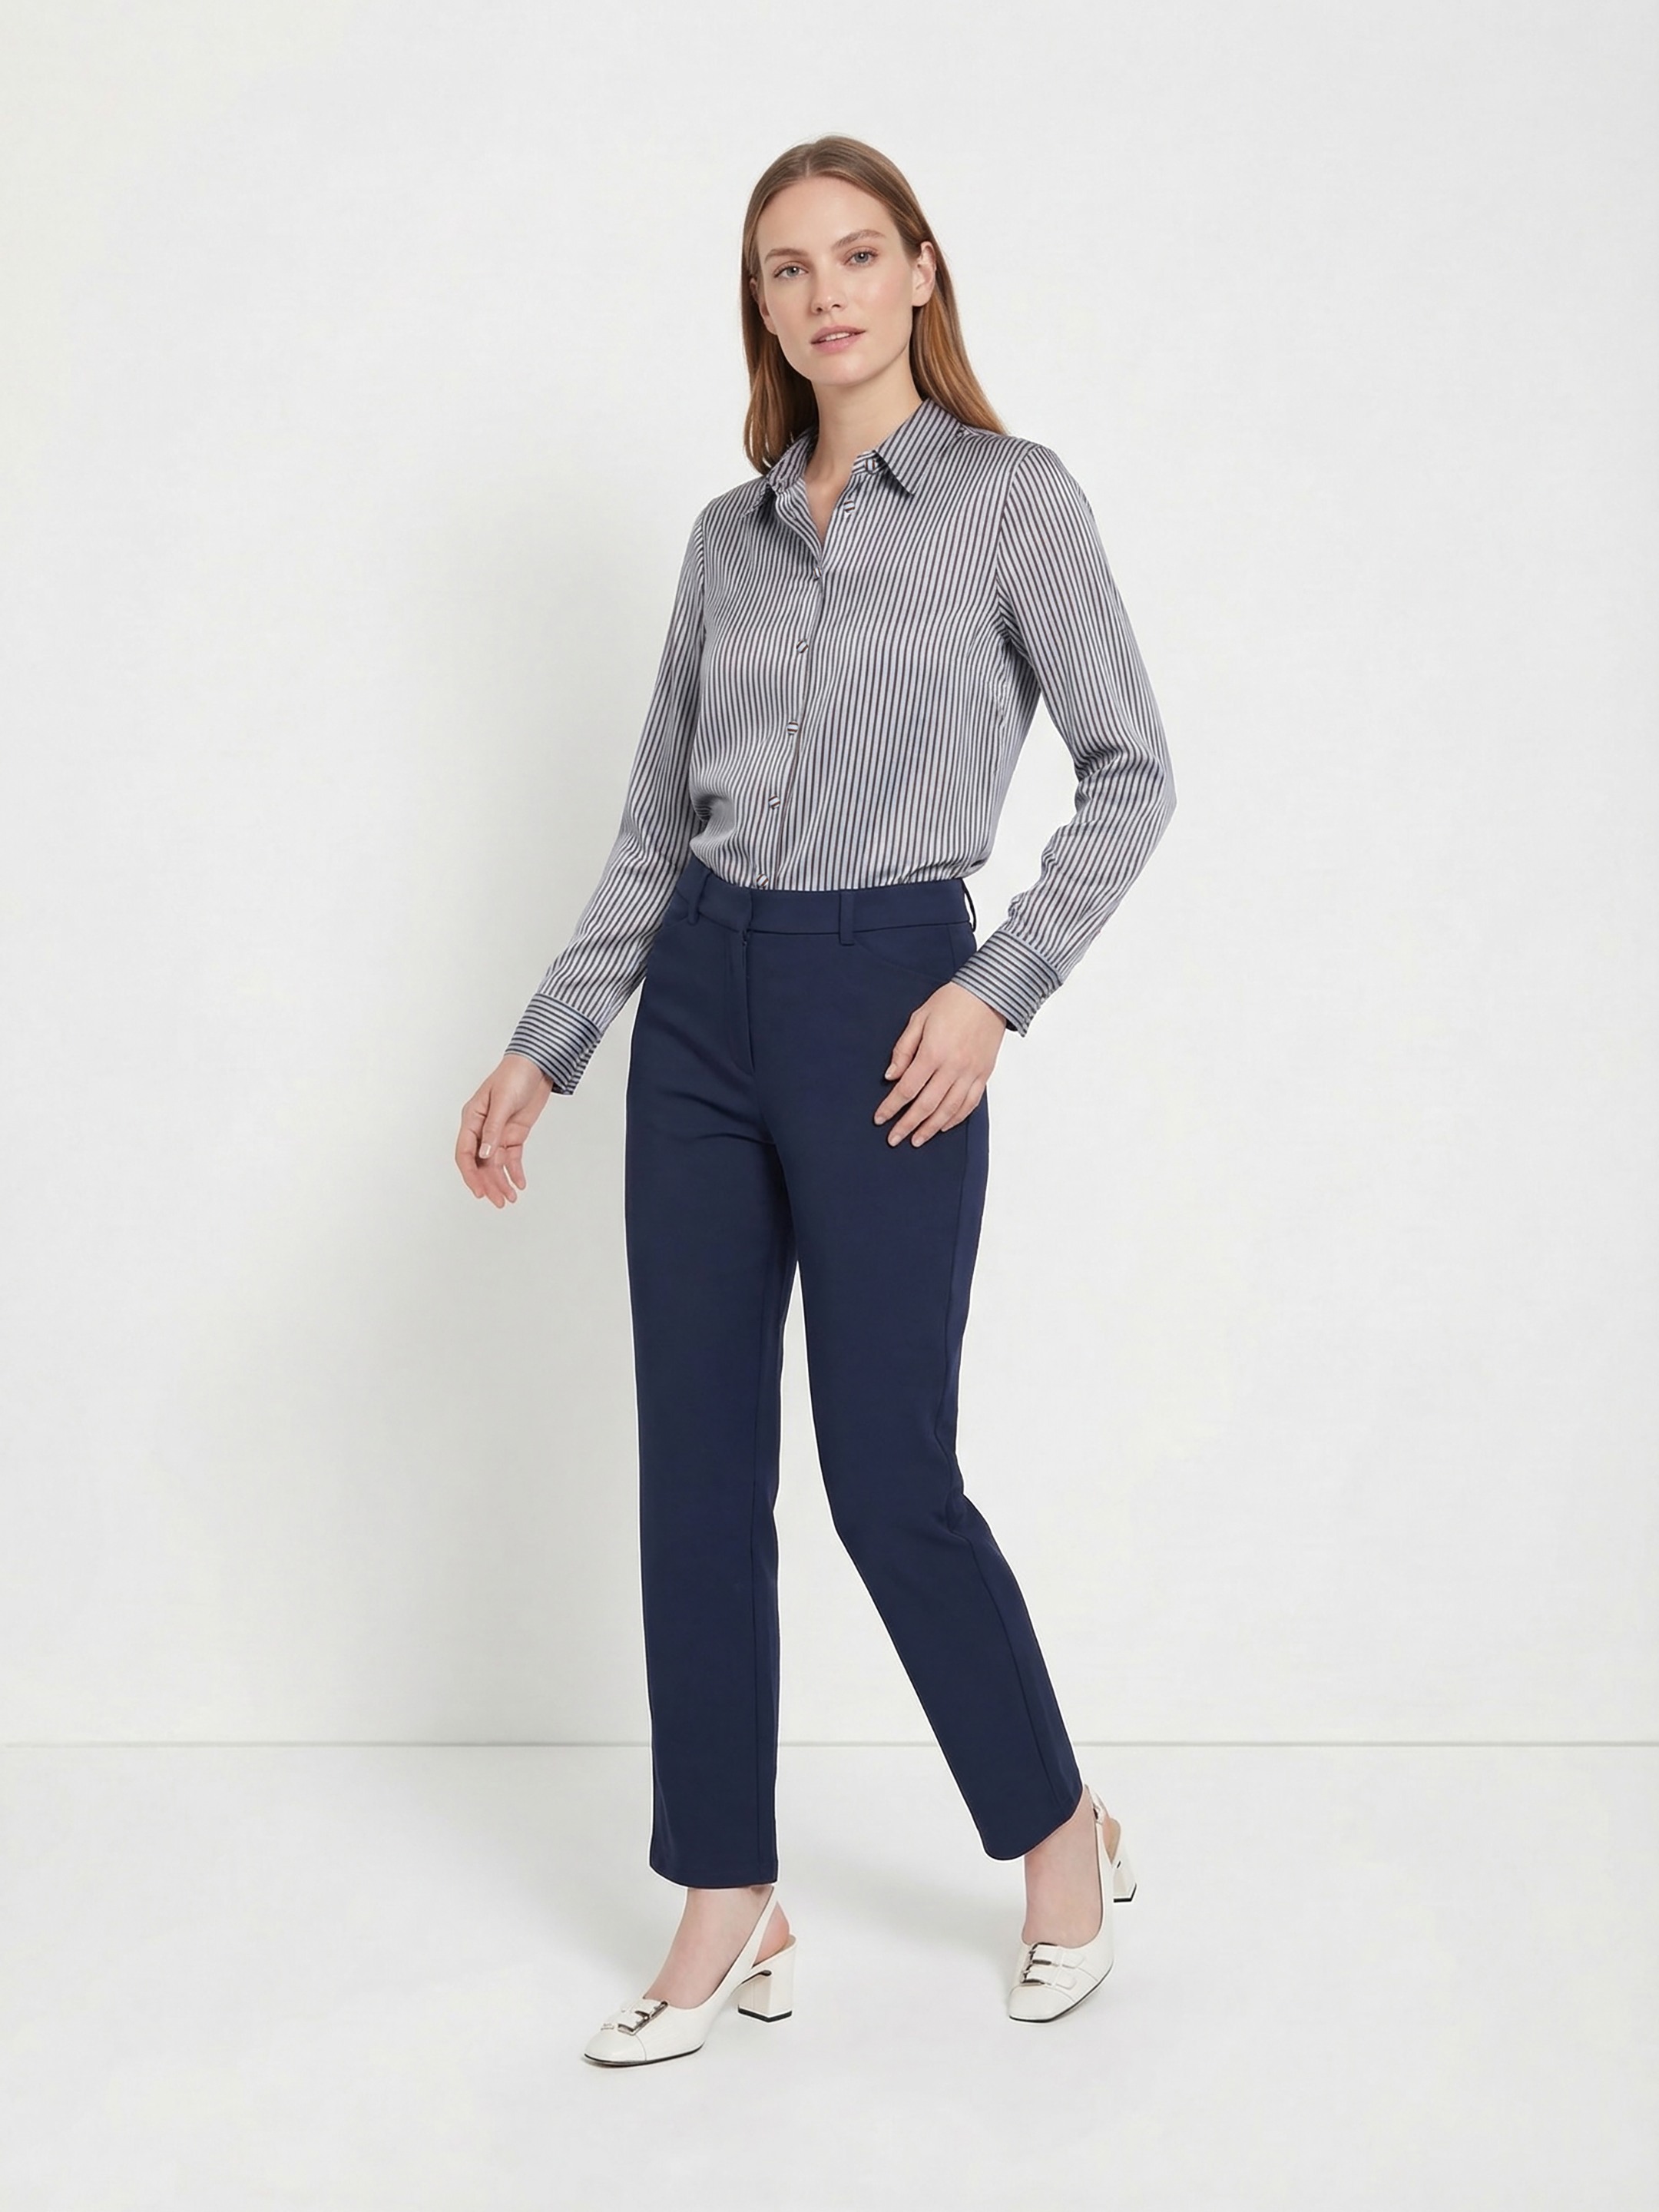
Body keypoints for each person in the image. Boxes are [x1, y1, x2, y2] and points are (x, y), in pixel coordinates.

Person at [455, 134, 1174, 2066]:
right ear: (761, 306)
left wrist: (995, 991)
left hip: (889, 1004)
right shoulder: (732, 538)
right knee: (697, 1471)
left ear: (923, 271)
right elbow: (649, 828)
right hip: (700, 1001)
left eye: (860, 254)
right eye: (789, 267)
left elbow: (1131, 773)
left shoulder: (1014, 503)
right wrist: (549, 1039)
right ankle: (726, 1893)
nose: (827, 293)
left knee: (885, 1473)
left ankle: (1056, 1834)